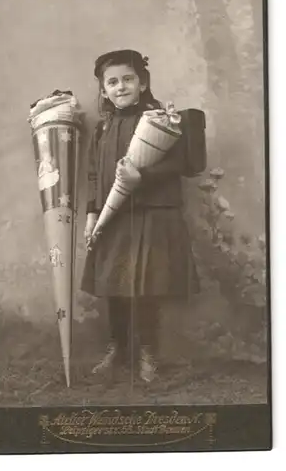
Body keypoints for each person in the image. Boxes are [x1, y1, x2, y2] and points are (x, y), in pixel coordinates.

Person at [80, 49, 205, 383]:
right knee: (114, 285)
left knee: (146, 286)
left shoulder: (159, 120)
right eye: (112, 82)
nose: (121, 87)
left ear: (142, 82)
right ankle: (119, 348)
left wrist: (143, 179)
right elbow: (94, 173)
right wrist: (93, 213)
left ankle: (148, 351)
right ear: (103, 90)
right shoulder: (103, 127)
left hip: (151, 214)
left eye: (128, 79)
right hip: (114, 217)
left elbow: (181, 164)